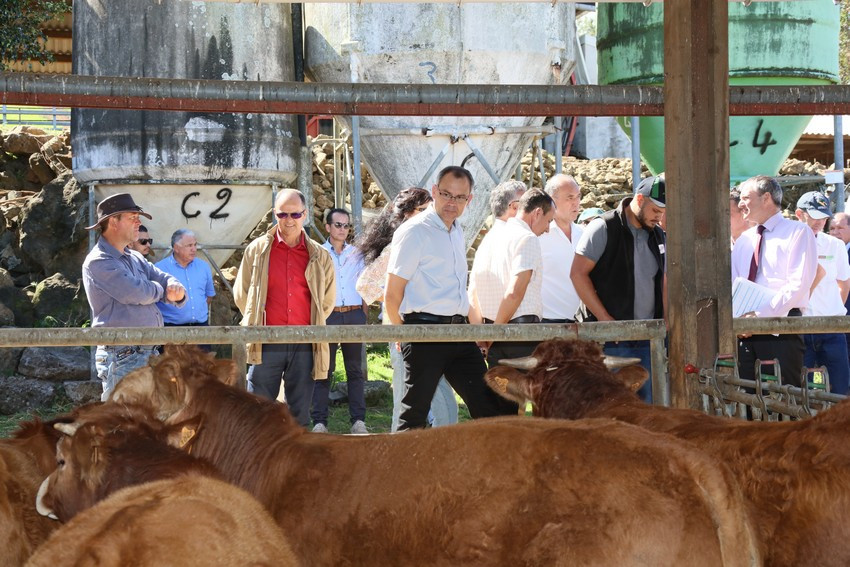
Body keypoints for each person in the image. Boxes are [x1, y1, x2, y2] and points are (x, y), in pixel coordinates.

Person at [385, 166, 515, 430]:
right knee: (415, 414)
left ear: (470, 200)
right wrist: (402, 334)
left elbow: (458, 291)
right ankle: (403, 471)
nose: (451, 203)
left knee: (490, 405)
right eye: (446, 194)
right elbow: (392, 292)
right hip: (425, 332)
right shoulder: (414, 231)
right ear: (434, 192)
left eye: (459, 197)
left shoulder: (456, 230)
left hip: (460, 333)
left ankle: (493, 469)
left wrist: (475, 328)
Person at [355, 188, 458, 432]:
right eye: (422, 211)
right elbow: (365, 285)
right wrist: (399, 302)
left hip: (431, 333)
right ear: (406, 215)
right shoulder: (398, 247)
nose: (428, 216)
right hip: (403, 336)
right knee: (407, 408)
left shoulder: (430, 243)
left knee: (436, 408)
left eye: (429, 210)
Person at [233, 189, 335, 427]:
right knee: (258, 412)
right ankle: (257, 461)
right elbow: (242, 294)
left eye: (295, 214)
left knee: (298, 416)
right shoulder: (257, 250)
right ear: (274, 215)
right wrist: (256, 322)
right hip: (266, 340)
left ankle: (295, 462)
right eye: (282, 214)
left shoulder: (319, 255)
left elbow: (327, 300)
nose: (289, 220)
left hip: (305, 341)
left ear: (305, 214)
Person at [571, 174, 668, 402]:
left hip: (647, 338)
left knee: (647, 407)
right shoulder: (602, 227)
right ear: (640, 199)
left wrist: (666, 324)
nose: (659, 218)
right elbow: (577, 274)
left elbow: (664, 280)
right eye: (655, 211)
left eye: (662, 213)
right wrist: (605, 319)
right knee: (607, 405)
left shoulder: (659, 235)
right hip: (608, 340)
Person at [82, 193, 186, 401]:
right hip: (122, 354)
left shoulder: (135, 256)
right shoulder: (98, 261)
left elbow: (160, 278)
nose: (139, 222)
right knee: (124, 424)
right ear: (113, 221)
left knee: (143, 423)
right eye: (132, 217)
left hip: (142, 352)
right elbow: (136, 292)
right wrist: (164, 291)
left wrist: (174, 287)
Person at [731, 176, 818, 388]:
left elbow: (798, 285)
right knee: (747, 397)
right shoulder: (745, 239)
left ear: (766, 198)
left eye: (745, 197)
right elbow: (733, 283)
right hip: (744, 330)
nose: (740, 204)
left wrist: (760, 317)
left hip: (781, 327)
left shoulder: (798, 232)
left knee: (785, 398)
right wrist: (738, 320)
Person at [470, 189, 554, 373]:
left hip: (492, 331)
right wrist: (495, 334)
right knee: (539, 397)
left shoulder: (489, 239)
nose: (548, 229)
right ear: (537, 213)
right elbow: (515, 292)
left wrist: (482, 335)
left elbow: (473, 291)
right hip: (520, 335)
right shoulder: (527, 238)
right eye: (548, 221)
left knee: (504, 400)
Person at [311, 208, 368, 435]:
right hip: (329, 316)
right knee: (324, 369)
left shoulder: (357, 253)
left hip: (354, 315)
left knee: (355, 370)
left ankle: (358, 421)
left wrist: (363, 314)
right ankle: (320, 422)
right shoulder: (318, 253)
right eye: (338, 225)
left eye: (346, 226)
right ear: (327, 227)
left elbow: (364, 284)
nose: (342, 230)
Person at [794, 191, 850, 394]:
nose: (820, 222)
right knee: (806, 392)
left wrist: (833, 311)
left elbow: (844, 283)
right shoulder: (788, 244)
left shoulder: (835, 245)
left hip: (831, 330)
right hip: (800, 329)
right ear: (799, 214)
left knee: (840, 390)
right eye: (815, 216)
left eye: (824, 217)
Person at [155, 229, 216, 351]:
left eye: (195, 245)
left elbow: (209, 295)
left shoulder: (203, 266)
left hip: (200, 331)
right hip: (171, 331)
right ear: (176, 248)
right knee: (172, 369)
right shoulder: (159, 269)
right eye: (189, 245)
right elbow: (154, 300)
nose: (194, 249)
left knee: (202, 369)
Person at [539, 174, 584, 323]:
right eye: (570, 198)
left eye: (578, 196)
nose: (576, 203)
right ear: (552, 200)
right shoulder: (538, 236)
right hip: (547, 323)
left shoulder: (584, 234)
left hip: (582, 324)